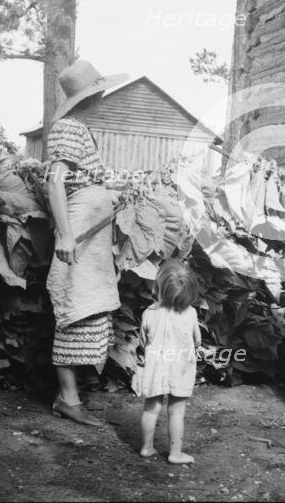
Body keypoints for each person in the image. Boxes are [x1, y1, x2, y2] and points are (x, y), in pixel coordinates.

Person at [47, 60, 128, 426]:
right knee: (73, 308)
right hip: (77, 233)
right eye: (101, 91)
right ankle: (67, 398)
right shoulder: (67, 128)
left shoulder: (80, 129)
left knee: (89, 310)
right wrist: (65, 234)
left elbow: (81, 180)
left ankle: (71, 396)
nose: (104, 96)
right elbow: (55, 182)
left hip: (90, 234)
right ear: (91, 94)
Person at [135, 259, 201, 464]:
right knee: (176, 412)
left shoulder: (149, 313)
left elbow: (143, 340)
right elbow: (197, 341)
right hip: (180, 367)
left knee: (150, 409)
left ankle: (146, 447)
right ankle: (175, 453)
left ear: (158, 287)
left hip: (155, 367)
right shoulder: (191, 314)